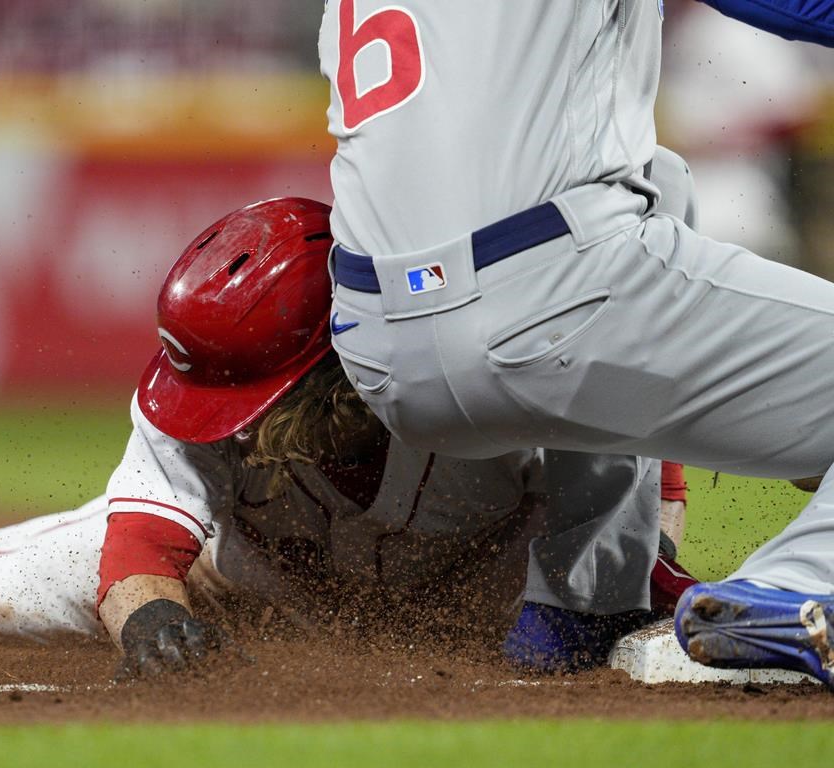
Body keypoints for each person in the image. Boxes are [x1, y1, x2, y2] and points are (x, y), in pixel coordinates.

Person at [0, 198, 694, 677]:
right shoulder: (189, 386)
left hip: (494, 581)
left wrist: (639, 591)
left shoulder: (483, 365)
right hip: (265, 579)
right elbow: (138, 549)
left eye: (257, 394)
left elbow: (634, 475)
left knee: (653, 628)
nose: (231, 423)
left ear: (338, 358)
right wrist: (154, 623)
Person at [318, 0, 834, 686]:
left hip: (372, 349)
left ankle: (584, 601)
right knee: (629, 201)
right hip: (550, 301)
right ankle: (803, 586)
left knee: (661, 178)